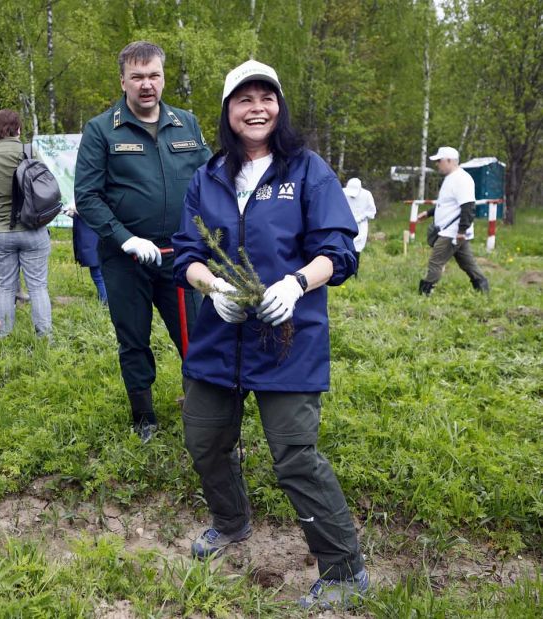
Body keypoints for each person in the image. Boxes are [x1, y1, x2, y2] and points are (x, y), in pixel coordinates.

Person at [172, 60, 368, 610]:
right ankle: (231, 522)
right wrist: (211, 286)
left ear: (278, 107)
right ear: (228, 111)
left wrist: (298, 283)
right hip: (217, 339)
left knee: (295, 457)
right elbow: (186, 253)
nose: (256, 107)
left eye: (266, 97)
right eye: (243, 99)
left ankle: (343, 569)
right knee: (205, 440)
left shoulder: (306, 171)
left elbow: (340, 251)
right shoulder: (207, 176)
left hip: (288, 339)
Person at [75, 41, 210, 442]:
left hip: (181, 256)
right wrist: (125, 238)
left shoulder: (186, 123)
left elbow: (208, 182)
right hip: (126, 259)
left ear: (163, 77)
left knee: (194, 334)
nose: (146, 84)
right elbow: (87, 195)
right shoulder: (101, 129)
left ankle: (202, 406)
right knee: (133, 336)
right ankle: (144, 414)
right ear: (123, 81)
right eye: (137, 77)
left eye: (153, 75)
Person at [0, 109, 51, 338]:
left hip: (0, 231)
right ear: (18, 128)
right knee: (38, 286)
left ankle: (3, 337)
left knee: (6, 286)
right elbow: (45, 186)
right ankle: (44, 336)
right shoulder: (29, 152)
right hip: (33, 228)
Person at [416, 146, 489, 295]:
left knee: (435, 262)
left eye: (439, 161)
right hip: (452, 232)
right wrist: (429, 213)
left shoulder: (462, 179)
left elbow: (468, 207)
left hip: (452, 232)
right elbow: (447, 204)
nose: (437, 164)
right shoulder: (451, 178)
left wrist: (462, 231)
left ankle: (424, 293)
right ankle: (483, 289)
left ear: (449, 161)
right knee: (467, 264)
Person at [66, 202, 108, 304]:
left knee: (97, 275)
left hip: (93, 241)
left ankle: (105, 303)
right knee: (101, 273)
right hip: (100, 239)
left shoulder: (90, 197)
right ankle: (105, 299)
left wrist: (75, 209)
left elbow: (88, 210)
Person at [342, 177, 376, 272]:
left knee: (357, 248)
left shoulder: (367, 195)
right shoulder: (342, 193)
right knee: (344, 246)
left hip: (360, 226)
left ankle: (354, 271)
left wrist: (360, 217)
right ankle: (344, 270)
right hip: (345, 224)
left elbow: (372, 212)